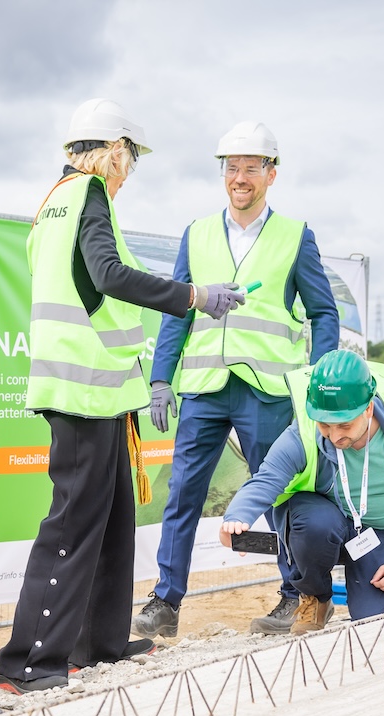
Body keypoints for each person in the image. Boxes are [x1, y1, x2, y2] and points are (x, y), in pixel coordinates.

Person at [0, 98, 246, 694]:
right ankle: (27, 663)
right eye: (129, 158)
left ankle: (98, 644)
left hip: (94, 389)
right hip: (83, 388)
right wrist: (194, 297)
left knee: (110, 519)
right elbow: (108, 275)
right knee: (73, 527)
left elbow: (90, 284)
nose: (128, 171)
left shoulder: (50, 205)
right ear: (111, 152)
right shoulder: (88, 194)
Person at [132, 121, 340, 640]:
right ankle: (166, 600)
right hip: (203, 386)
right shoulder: (197, 233)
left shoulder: (295, 236)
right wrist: (161, 378)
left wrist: (322, 377)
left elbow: (324, 313)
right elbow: (177, 310)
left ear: (271, 174)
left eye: (251, 167)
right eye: (231, 167)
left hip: (266, 388)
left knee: (279, 492)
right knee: (182, 493)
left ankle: (296, 596)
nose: (240, 177)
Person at [219, 351, 384, 634]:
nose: (335, 436)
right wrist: (237, 516)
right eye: (325, 424)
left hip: (381, 531)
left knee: (376, 622)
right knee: (313, 523)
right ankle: (317, 598)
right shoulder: (302, 431)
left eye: (345, 425)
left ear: (368, 409)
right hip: (327, 528)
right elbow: (266, 480)